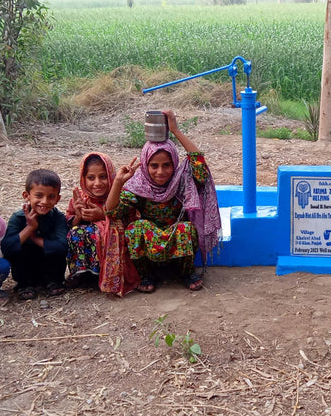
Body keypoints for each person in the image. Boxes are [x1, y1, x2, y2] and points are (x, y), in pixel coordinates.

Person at [105, 110, 220, 293]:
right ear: (145, 165)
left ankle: (187, 273)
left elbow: (200, 166)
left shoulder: (182, 181)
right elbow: (111, 212)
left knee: (185, 228)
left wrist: (175, 131)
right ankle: (147, 276)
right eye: (154, 166)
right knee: (136, 229)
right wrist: (118, 182)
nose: (160, 172)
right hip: (150, 248)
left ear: (174, 164)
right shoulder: (139, 185)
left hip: (178, 245)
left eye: (166, 165)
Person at [65, 152, 139, 296]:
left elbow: (118, 213)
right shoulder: (81, 198)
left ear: (111, 175)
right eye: (91, 178)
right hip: (90, 247)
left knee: (106, 232)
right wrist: (79, 216)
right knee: (75, 232)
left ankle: (105, 274)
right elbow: (70, 222)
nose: (97, 183)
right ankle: (84, 273)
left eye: (103, 177)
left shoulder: (121, 194)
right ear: (83, 178)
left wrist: (102, 214)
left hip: (122, 250)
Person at [2, 169, 68, 300]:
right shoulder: (18, 218)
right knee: (20, 247)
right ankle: (24, 284)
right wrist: (29, 228)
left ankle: (53, 281)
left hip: (50, 266)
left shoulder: (58, 218)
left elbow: (63, 246)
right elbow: (6, 248)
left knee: (56, 249)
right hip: (26, 266)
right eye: (39, 195)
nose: (44, 201)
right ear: (26, 195)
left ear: (58, 199)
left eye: (51, 197)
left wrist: (35, 239)